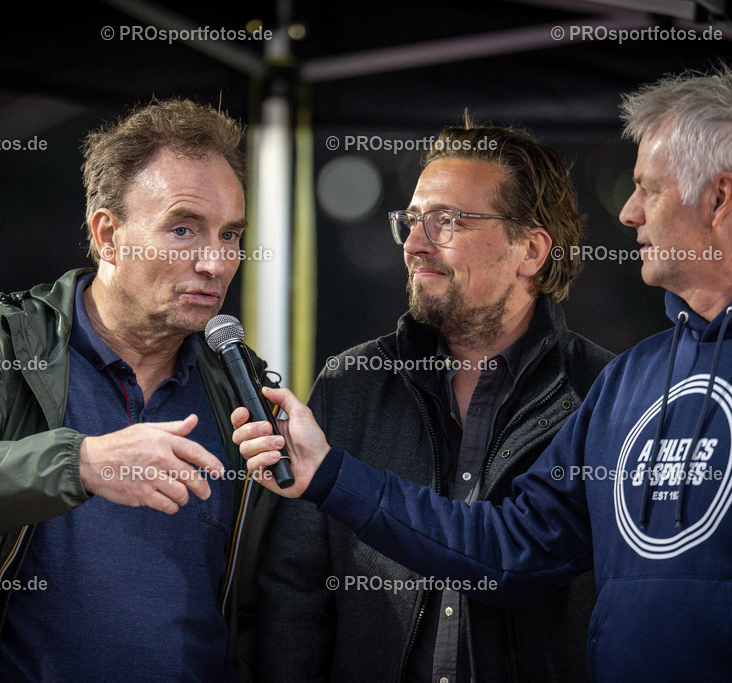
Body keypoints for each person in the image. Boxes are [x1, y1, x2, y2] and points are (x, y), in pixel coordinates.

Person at [234, 64, 732, 680]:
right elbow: (510, 548)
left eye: (648, 186)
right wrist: (330, 476)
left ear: (719, 197)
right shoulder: (636, 379)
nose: (629, 212)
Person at [0, 98, 279, 682]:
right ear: (107, 235)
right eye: (184, 229)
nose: (216, 262)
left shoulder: (241, 389)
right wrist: (80, 462)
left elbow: (272, 600)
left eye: (230, 234)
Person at [258, 121, 612, 682]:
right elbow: (294, 591)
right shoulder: (351, 382)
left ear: (531, 250)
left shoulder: (604, 394)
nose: (415, 243)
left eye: (446, 221)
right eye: (411, 220)